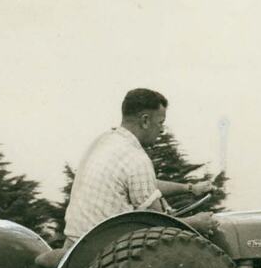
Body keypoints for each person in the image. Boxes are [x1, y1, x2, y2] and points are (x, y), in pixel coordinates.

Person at [62, 88, 216, 243]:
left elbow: (142, 185)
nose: (162, 130)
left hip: (77, 239)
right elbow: (160, 223)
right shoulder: (135, 157)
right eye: (160, 123)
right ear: (145, 121)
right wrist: (196, 222)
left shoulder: (106, 142)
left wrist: (190, 188)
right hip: (105, 246)